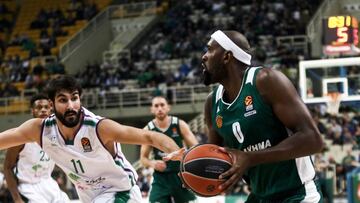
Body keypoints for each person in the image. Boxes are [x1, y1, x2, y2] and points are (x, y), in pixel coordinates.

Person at [174, 30, 324, 202]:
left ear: (226, 57)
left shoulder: (266, 80)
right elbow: (215, 156)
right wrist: (192, 165)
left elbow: (313, 140)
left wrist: (250, 158)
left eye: (209, 50)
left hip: (296, 193)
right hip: (259, 196)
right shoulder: (212, 103)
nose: (203, 57)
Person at [0, 75, 181, 203]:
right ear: (52, 104)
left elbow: (149, 136)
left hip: (120, 191)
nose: (71, 105)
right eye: (63, 100)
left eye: (75, 98)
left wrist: (176, 151)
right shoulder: (39, 129)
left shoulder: (99, 127)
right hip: (89, 196)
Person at [4, 94, 70, 203]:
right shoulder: (21, 136)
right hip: (27, 186)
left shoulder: (58, 134)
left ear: (51, 110)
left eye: (46, 107)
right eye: (39, 107)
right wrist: (16, 199)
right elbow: (7, 167)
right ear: (32, 111)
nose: (43, 110)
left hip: (48, 182)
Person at [140, 96, 198, 203]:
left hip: (180, 175)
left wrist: (187, 159)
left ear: (168, 107)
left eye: (162, 105)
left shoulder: (179, 124)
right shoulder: (148, 129)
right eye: (156, 106)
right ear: (152, 109)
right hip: (161, 178)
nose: (160, 108)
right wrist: (152, 163)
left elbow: (196, 148)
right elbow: (143, 159)